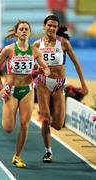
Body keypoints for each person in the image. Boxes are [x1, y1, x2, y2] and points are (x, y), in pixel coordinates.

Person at [0, 20, 50, 168]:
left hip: (27, 91)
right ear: (17, 33)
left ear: (29, 32)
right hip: (11, 91)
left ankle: (17, 156)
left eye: (26, 29)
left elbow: (46, 67)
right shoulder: (9, 50)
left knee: (25, 124)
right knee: (8, 128)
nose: (24, 31)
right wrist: (1, 88)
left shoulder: (35, 51)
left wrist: (44, 71)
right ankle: (6, 110)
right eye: (21, 29)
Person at [33, 15, 88, 163]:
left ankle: (50, 114)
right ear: (44, 27)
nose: (51, 28)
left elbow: (76, 63)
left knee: (57, 125)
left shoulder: (63, 43)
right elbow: (31, 66)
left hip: (59, 86)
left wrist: (83, 84)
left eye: (54, 26)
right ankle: (48, 151)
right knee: (45, 119)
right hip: (43, 84)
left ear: (57, 28)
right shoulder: (37, 45)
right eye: (49, 25)